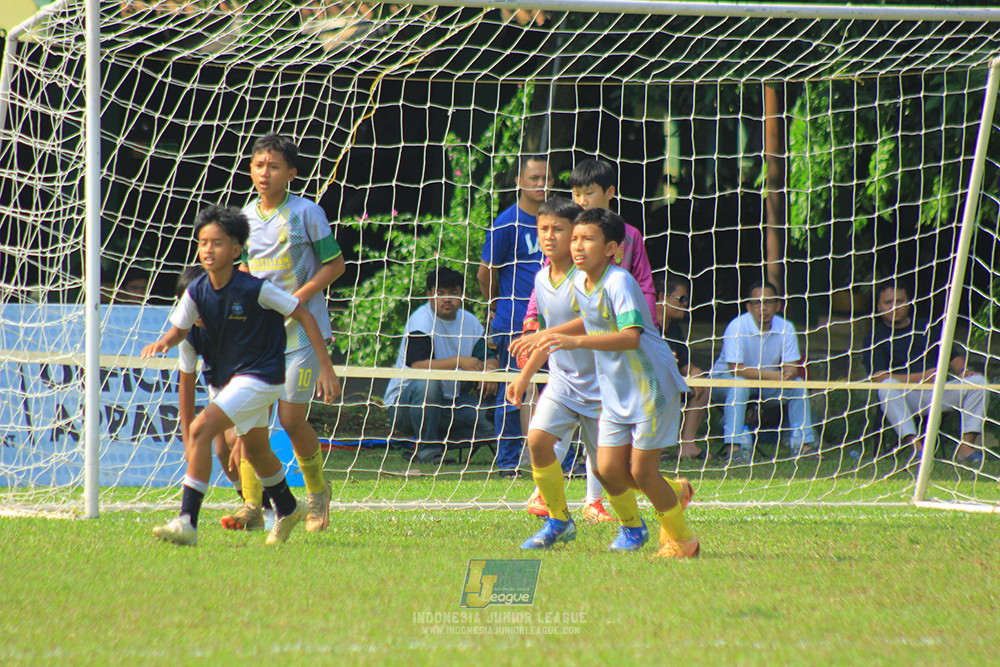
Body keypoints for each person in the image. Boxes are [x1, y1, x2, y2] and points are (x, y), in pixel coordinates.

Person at [141, 205, 340, 546]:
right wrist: (163, 341)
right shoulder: (196, 291)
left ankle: (187, 521)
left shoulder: (253, 288)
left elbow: (303, 314)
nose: (208, 249)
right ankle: (289, 507)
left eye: (217, 243)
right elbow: (178, 331)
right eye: (203, 242)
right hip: (231, 382)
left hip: (262, 375)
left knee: (202, 429)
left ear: (236, 250)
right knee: (257, 451)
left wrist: (325, 366)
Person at [513, 208, 700, 559]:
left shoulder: (619, 281)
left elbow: (630, 337)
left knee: (642, 472)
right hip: (614, 388)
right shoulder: (583, 282)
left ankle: (683, 543)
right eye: (577, 238)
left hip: (649, 387)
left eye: (586, 238)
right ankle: (672, 492)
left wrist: (571, 342)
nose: (577, 245)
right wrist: (544, 340)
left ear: (612, 248)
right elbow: (584, 324)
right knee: (609, 470)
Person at [224, 132, 346, 534]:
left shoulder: (307, 213)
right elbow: (242, 269)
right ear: (250, 169)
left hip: (303, 333)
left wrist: (296, 299)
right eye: (259, 165)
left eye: (274, 166)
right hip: (263, 335)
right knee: (249, 420)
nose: (265, 173)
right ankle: (252, 506)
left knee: (291, 418)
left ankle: (317, 496)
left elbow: (335, 265)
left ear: (291, 173)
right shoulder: (243, 218)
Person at [505, 198, 614, 549]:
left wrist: (546, 334)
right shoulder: (540, 278)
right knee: (537, 440)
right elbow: (550, 339)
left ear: (575, 236)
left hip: (602, 384)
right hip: (563, 382)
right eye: (543, 230)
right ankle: (558, 520)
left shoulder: (589, 277)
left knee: (615, 472)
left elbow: (593, 320)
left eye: (558, 230)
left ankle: (663, 499)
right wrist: (524, 378)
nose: (549, 237)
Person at [477, 154, 552, 477]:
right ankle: (508, 461)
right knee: (514, 391)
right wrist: (497, 304)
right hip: (515, 323)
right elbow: (485, 273)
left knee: (556, 391)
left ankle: (558, 458)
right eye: (534, 178)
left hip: (556, 325)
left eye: (547, 178)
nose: (541, 184)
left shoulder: (559, 221)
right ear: (519, 182)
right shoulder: (507, 222)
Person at [384, 267, 499, 464]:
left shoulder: (469, 321)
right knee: (429, 384)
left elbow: (488, 355)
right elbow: (419, 366)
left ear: (462, 295)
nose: (447, 299)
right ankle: (427, 449)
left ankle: (438, 443)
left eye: (453, 293)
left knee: (487, 420)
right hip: (406, 405)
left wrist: (490, 370)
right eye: (440, 293)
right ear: (429, 295)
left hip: (449, 403)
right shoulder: (421, 320)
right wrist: (460, 361)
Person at [866, 281, 987, 463]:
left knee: (979, 382)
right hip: (904, 396)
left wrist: (963, 371)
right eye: (888, 302)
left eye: (900, 301)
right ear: (878, 306)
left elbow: (952, 356)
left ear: (909, 302)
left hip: (938, 392)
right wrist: (922, 378)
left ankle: (966, 447)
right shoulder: (875, 336)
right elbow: (878, 377)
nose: (894, 307)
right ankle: (916, 448)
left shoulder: (927, 327)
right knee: (885, 387)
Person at [709, 281, 817, 460]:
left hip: (765, 385)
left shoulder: (786, 327)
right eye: (757, 303)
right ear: (748, 306)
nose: (763, 308)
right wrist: (776, 375)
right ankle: (734, 449)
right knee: (739, 385)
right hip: (724, 383)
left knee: (798, 385)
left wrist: (789, 373)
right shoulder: (737, 326)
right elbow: (735, 369)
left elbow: (792, 365)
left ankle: (804, 445)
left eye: (768, 302)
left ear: (778, 305)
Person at [656, 274, 711, 459]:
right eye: (682, 299)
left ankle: (687, 445)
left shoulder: (675, 330)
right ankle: (657, 446)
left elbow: (687, 367)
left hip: (671, 383)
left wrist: (697, 376)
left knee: (705, 385)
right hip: (646, 386)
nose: (685, 304)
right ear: (663, 297)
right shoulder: (645, 325)